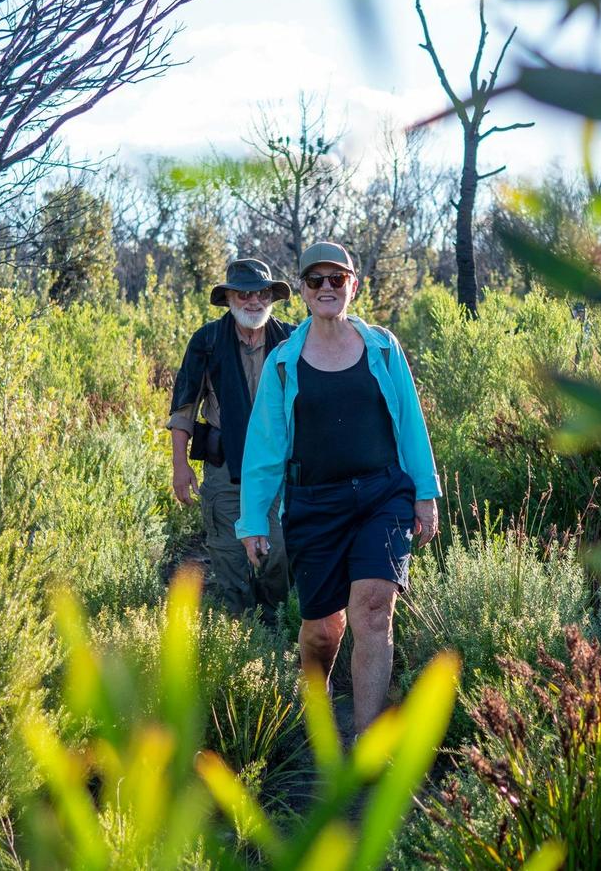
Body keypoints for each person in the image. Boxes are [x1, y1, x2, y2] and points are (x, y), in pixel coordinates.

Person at [236, 241, 441, 735]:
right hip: (314, 504)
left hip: (381, 496)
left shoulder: (383, 347)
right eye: (315, 280)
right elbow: (264, 448)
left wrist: (424, 492)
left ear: (354, 283)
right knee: (323, 631)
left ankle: (368, 748)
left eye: (337, 279)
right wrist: (252, 520)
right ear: (303, 290)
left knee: (372, 611)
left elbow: (410, 423)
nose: (326, 288)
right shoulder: (285, 361)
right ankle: (320, 728)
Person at [168, 258, 296, 622]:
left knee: (278, 549)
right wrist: (180, 466)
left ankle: (276, 622)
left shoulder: (291, 339)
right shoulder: (207, 340)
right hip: (225, 466)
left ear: (271, 297)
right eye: (243, 293)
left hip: (278, 467)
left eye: (261, 293)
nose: (253, 301)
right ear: (229, 298)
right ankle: (242, 630)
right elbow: (184, 407)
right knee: (228, 553)